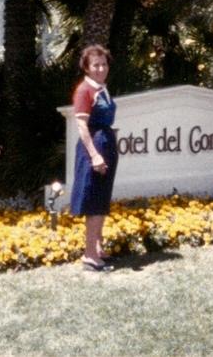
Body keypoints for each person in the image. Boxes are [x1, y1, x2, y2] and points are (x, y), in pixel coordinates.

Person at [70, 44, 118, 271]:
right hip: (94, 148)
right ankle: (89, 255)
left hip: (105, 143)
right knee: (94, 201)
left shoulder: (102, 88)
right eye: (95, 65)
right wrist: (95, 155)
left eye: (104, 64)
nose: (100, 68)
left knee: (102, 198)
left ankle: (98, 249)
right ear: (87, 68)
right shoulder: (84, 90)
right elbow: (81, 125)